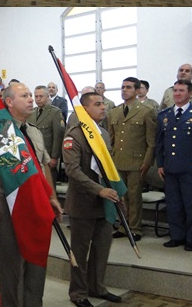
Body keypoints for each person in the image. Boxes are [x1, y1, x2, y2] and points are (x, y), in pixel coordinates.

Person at [0, 83, 62, 307]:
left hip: (38, 201)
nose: (31, 99)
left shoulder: (33, 131)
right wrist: (12, 165)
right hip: (12, 201)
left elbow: (43, 165)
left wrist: (52, 197)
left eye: (31, 95)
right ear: (9, 102)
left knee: (37, 259)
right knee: (13, 262)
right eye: (25, 96)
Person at [63, 92, 122, 307]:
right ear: (85, 109)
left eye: (103, 103)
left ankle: (97, 286)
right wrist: (98, 190)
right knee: (80, 251)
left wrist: (114, 192)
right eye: (97, 104)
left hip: (104, 202)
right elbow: (72, 170)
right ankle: (78, 292)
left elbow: (108, 168)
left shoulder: (103, 134)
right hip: (82, 202)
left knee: (101, 248)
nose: (103, 107)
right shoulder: (74, 136)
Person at [156, 80, 192, 251]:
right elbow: (160, 143)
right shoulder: (164, 115)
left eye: (181, 90)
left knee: (191, 205)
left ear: (190, 93)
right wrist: (160, 164)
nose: (177, 94)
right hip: (170, 167)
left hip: (191, 168)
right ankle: (177, 236)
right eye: (175, 90)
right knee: (173, 205)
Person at [107, 77, 156, 240]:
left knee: (134, 196)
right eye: (123, 87)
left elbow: (151, 142)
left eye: (128, 87)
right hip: (118, 160)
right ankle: (123, 226)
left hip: (137, 161)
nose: (124, 90)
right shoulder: (114, 112)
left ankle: (135, 228)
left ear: (137, 90)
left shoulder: (146, 111)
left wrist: (147, 162)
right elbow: (111, 139)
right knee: (121, 196)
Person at [27, 86, 65, 186]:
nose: (38, 99)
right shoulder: (31, 113)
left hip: (48, 156)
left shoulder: (55, 112)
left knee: (49, 185)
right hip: (33, 156)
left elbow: (58, 136)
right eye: (36, 96)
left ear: (47, 96)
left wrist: (54, 157)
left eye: (41, 96)